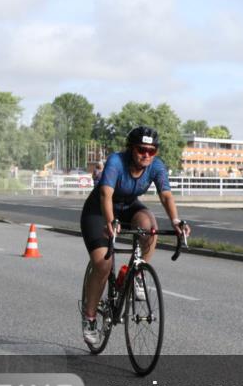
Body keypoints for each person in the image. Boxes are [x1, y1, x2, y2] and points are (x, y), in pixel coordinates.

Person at [79, 126, 191, 345]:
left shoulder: (156, 166)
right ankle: (89, 317)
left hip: (128, 207)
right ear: (131, 148)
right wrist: (110, 221)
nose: (146, 155)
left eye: (152, 151)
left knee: (150, 227)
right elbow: (105, 194)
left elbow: (166, 196)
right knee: (103, 263)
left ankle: (134, 273)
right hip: (99, 211)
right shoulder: (116, 161)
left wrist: (176, 221)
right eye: (141, 149)